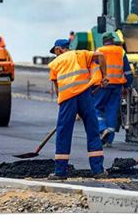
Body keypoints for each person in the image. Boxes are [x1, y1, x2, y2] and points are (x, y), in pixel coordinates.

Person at [47, 39, 110, 180]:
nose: (55, 55)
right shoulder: (80, 54)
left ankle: (60, 172)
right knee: (93, 130)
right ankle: (98, 170)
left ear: (58, 49)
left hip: (68, 99)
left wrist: (64, 107)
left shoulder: (55, 64)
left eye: (55, 52)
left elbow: (57, 88)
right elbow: (100, 55)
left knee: (63, 132)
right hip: (85, 95)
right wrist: (105, 76)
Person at [93, 32, 134, 147]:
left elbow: (94, 69)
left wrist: (92, 86)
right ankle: (109, 141)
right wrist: (127, 86)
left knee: (95, 108)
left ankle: (102, 128)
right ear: (112, 40)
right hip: (117, 86)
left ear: (103, 41)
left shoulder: (99, 51)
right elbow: (127, 72)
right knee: (112, 110)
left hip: (102, 85)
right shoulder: (120, 51)